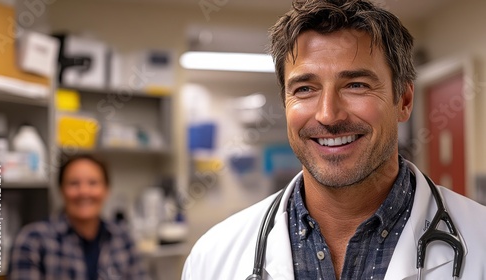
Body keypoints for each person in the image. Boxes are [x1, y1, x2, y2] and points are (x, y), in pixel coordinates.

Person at [182, 0, 486, 279]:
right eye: (304, 89)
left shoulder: (480, 240)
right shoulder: (212, 259)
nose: (328, 115)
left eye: (356, 84)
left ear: (404, 100)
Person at [8, 154, 149, 280]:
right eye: (74, 183)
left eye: (93, 183)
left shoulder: (122, 238)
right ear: (61, 190)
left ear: (106, 190)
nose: (84, 191)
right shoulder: (33, 239)